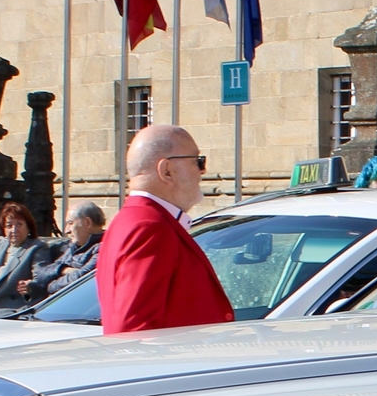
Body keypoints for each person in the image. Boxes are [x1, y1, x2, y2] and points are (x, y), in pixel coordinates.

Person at [98, 123, 233, 334]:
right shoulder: (149, 227)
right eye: (197, 161)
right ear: (166, 170)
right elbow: (133, 330)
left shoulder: (131, 220)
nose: (202, 171)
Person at [0, 201, 55, 317]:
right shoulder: (2, 247)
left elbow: (42, 279)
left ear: (28, 227)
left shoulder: (37, 248)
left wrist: (29, 287)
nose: (14, 230)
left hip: (13, 310)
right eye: (9, 226)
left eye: (19, 224)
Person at [29, 202, 106, 299]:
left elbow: (82, 280)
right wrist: (63, 269)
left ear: (87, 223)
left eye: (70, 223)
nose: (66, 230)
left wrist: (51, 285)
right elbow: (40, 275)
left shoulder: (103, 249)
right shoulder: (72, 246)